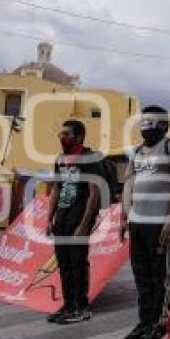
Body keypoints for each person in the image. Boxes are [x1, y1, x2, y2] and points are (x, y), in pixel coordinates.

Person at [119, 105, 170, 339]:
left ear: (162, 124)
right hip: (137, 222)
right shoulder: (137, 152)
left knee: (162, 275)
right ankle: (144, 321)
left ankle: (160, 326)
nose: (144, 126)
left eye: (149, 122)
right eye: (142, 121)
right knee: (142, 275)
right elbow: (128, 185)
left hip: (161, 223)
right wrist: (122, 218)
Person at [45, 120, 101, 325]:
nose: (62, 137)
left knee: (78, 262)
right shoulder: (60, 159)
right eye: (61, 133)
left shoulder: (89, 158)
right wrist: (49, 218)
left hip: (79, 216)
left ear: (78, 137)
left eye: (67, 134)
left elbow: (94, 193)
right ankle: (69, 305)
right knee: (64, 262)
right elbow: (56, 189)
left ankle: (82, 306)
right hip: (62, 217)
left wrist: (85, 223)